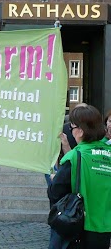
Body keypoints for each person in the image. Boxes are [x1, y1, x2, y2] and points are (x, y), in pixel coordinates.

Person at [48, 105, 111, 249]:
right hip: (106, 229)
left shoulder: (75, 156)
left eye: (72, 128)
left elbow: (55, 193)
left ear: (81, 131)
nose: (71, 131)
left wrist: (54, 179)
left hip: (80, 228)